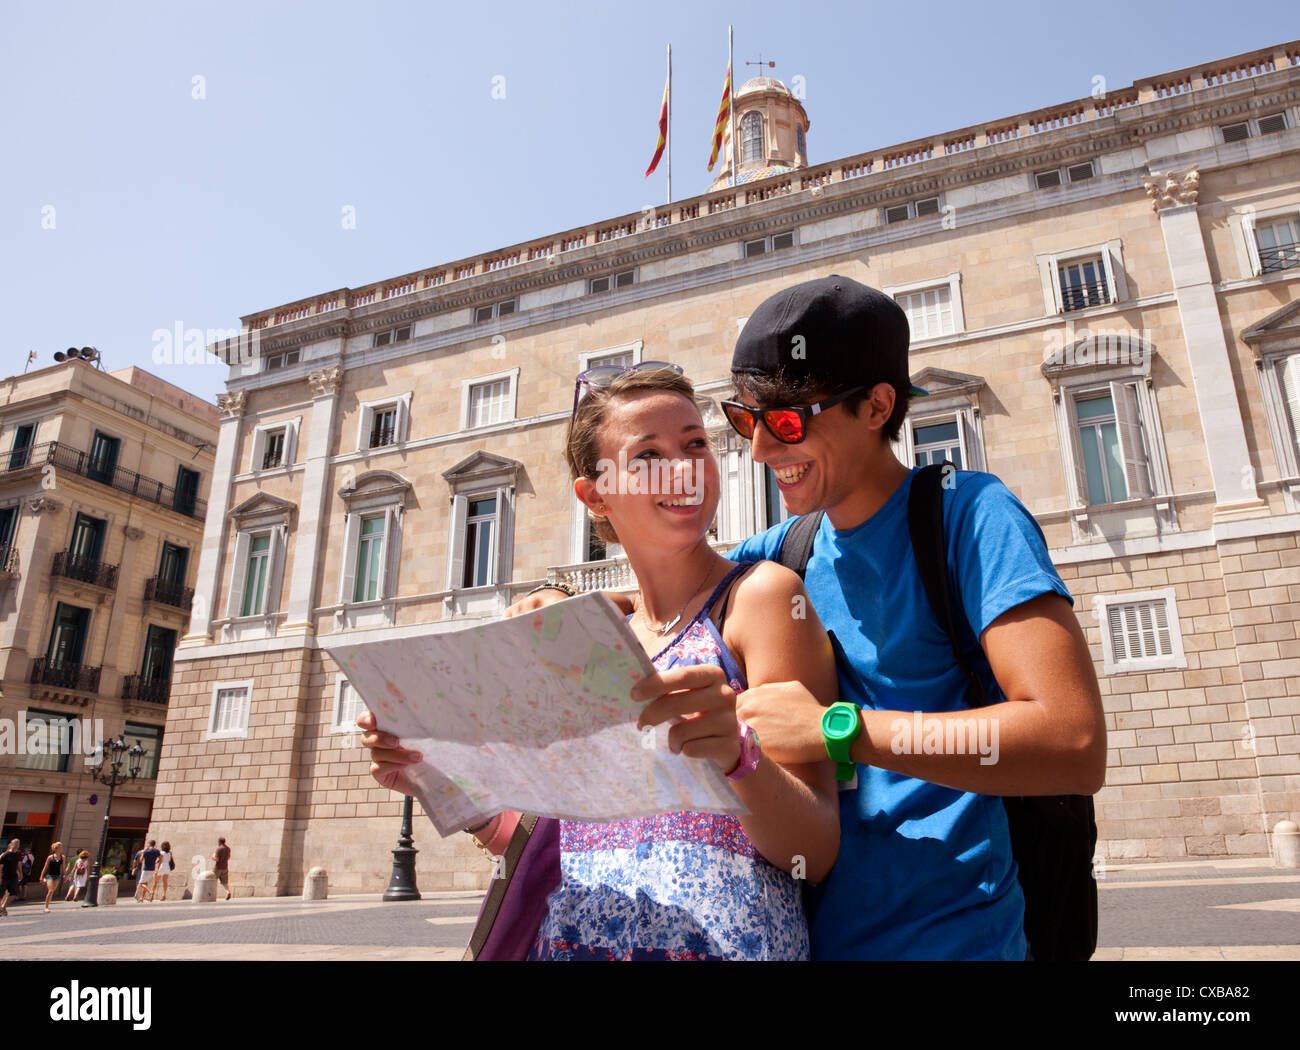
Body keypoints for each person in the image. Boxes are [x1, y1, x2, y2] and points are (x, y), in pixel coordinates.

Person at [507, 276, 1108, 960]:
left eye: (787, 422)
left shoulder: (970, 517)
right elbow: (676, 593)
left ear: (878, 405)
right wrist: (567, 601)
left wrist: (836, 730)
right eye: (744, 419)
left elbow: (1073, 742)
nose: (760, 451)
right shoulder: (782, 553)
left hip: (958, 941)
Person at [362, 364, 840, 959]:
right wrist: (432, 774)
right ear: (594, 494)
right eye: (647, 456)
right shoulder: (586, 638)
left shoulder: (762, 598)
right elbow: (551, 843)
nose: (683, 468)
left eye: (695, 444)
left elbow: (814, 853)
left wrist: (738, 757)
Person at [39, 842, 65, 913]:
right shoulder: (50, 857)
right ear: (56, 849)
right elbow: (45, 867)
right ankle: (46, 907)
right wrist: (41, 876)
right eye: (60, 847)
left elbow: (63, 867)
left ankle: (47, 905)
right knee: (50, 890)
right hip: (50, 875)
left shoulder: (62, 857)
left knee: (52, 891)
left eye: (61, 847)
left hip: (57, 875)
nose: (61, 848)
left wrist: (64, 875)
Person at [0, 839, 22, 916]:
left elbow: (19, 864)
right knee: (1, 894)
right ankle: (1, 909)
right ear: (11, 844)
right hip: (4, 876)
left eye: (18, 845)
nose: (16, 846)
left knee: (14, 893)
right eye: (15, 844)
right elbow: (0, 867)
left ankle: (3, 907)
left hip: (13, 876)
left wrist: (20, 873)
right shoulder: (5, 855)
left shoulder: (18, 854)